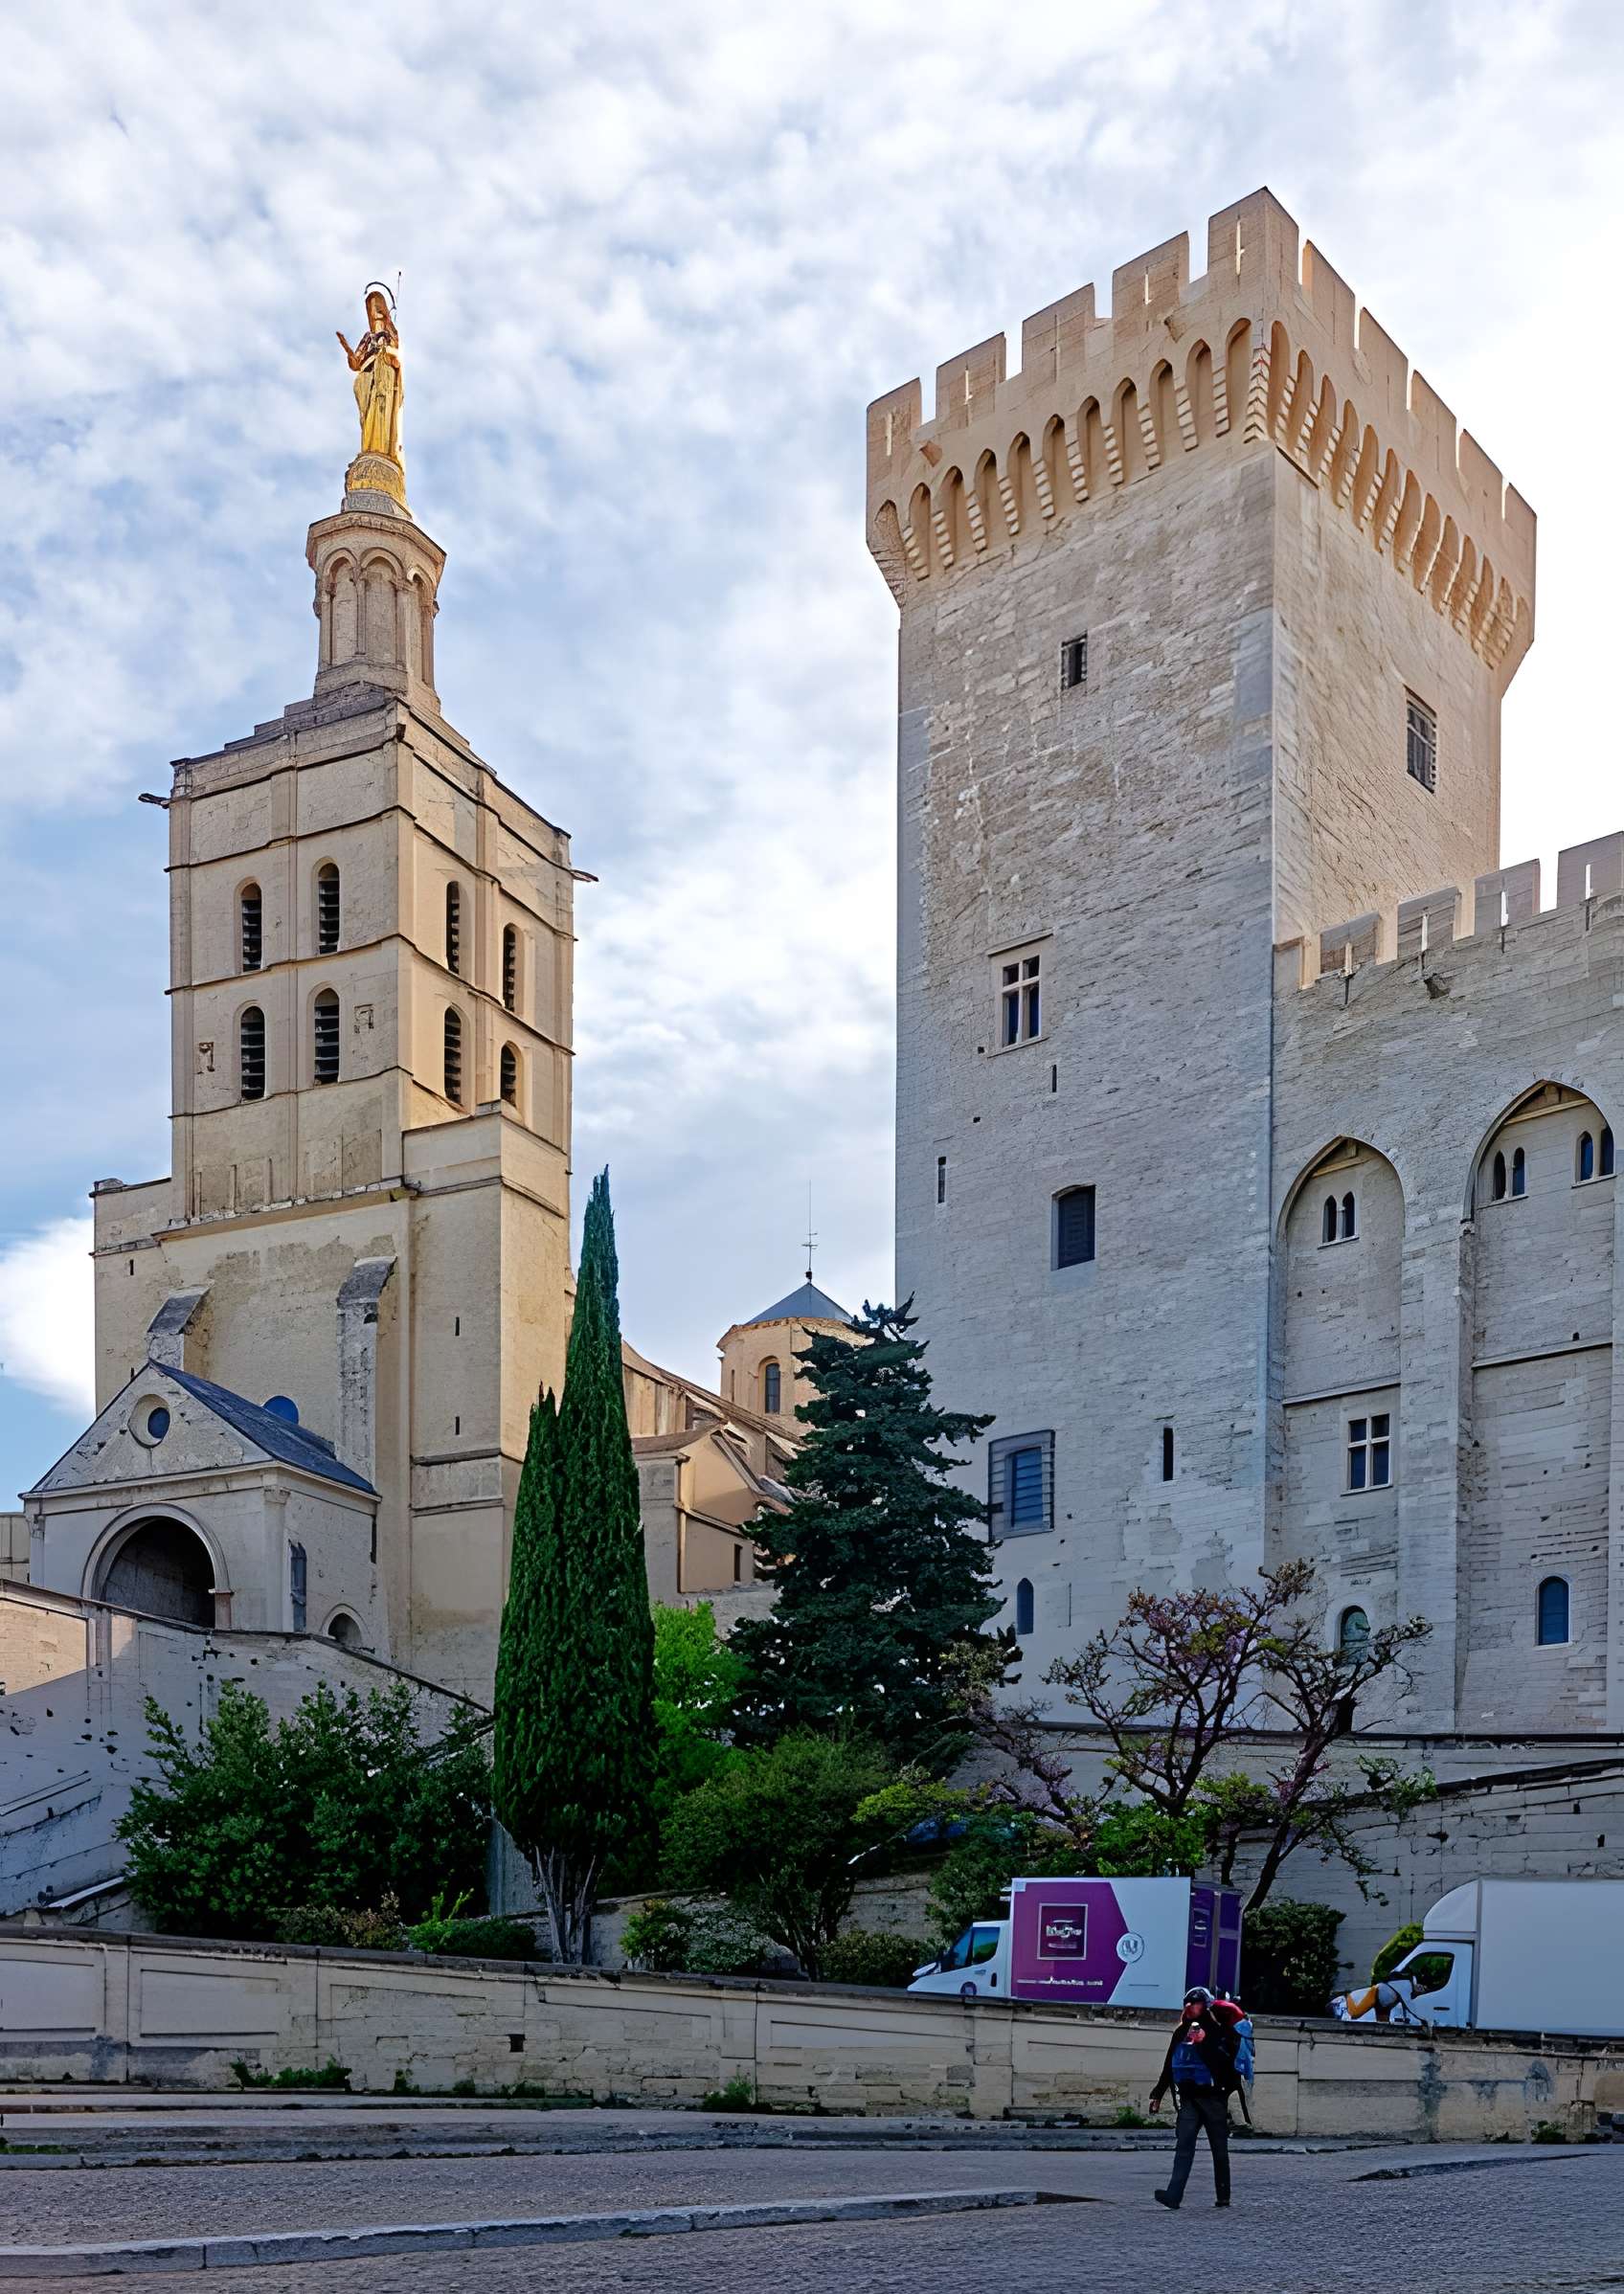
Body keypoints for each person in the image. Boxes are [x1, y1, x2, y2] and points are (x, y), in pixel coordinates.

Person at [1147, 1984, 1245, 2210]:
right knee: (1184, 2146)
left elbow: (1224, 2064)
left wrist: (1206, 2042)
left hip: (1213, 2099)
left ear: (1206, 2005)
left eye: (1195, 2003)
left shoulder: (1219, 2030)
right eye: (1188, 2003)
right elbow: (1171, 2064)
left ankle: (1223, 2196)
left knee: (1219, 2149)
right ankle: (1173, 2196)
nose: (1190, 2007)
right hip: (1189, 2098)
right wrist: (1158, 2094)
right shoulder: (1182, 2031)